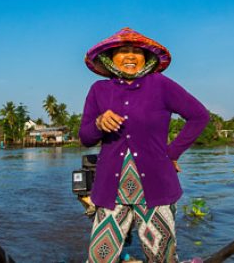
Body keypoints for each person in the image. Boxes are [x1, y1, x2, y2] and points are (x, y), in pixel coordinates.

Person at [80, 27, 209, 263]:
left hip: (157, 188)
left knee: (162, 257)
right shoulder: (99, 90)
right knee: (101, 258)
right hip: (111, 190)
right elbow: (86, 138)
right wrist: (99, 122)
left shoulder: (160, 84)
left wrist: (172, 154)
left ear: (146, 58)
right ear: (111, 58)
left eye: (136, 51)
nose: (130, 56)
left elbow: (199, 116)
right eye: (123, 51)